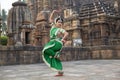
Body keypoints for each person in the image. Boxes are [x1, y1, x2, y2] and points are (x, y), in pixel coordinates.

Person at [42, 10, 68, 76]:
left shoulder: (60, 29)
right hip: (53, 42)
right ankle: (60, 71)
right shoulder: (53, 26)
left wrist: (62, 39)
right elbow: (50, 19)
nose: (60, 23)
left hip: (57, 43)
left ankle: (57, 55)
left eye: (61, 22)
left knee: (46, 49)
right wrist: (53, 12)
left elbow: (66, 33)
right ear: (55, 22)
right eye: (58, 22)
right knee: (53, 57)